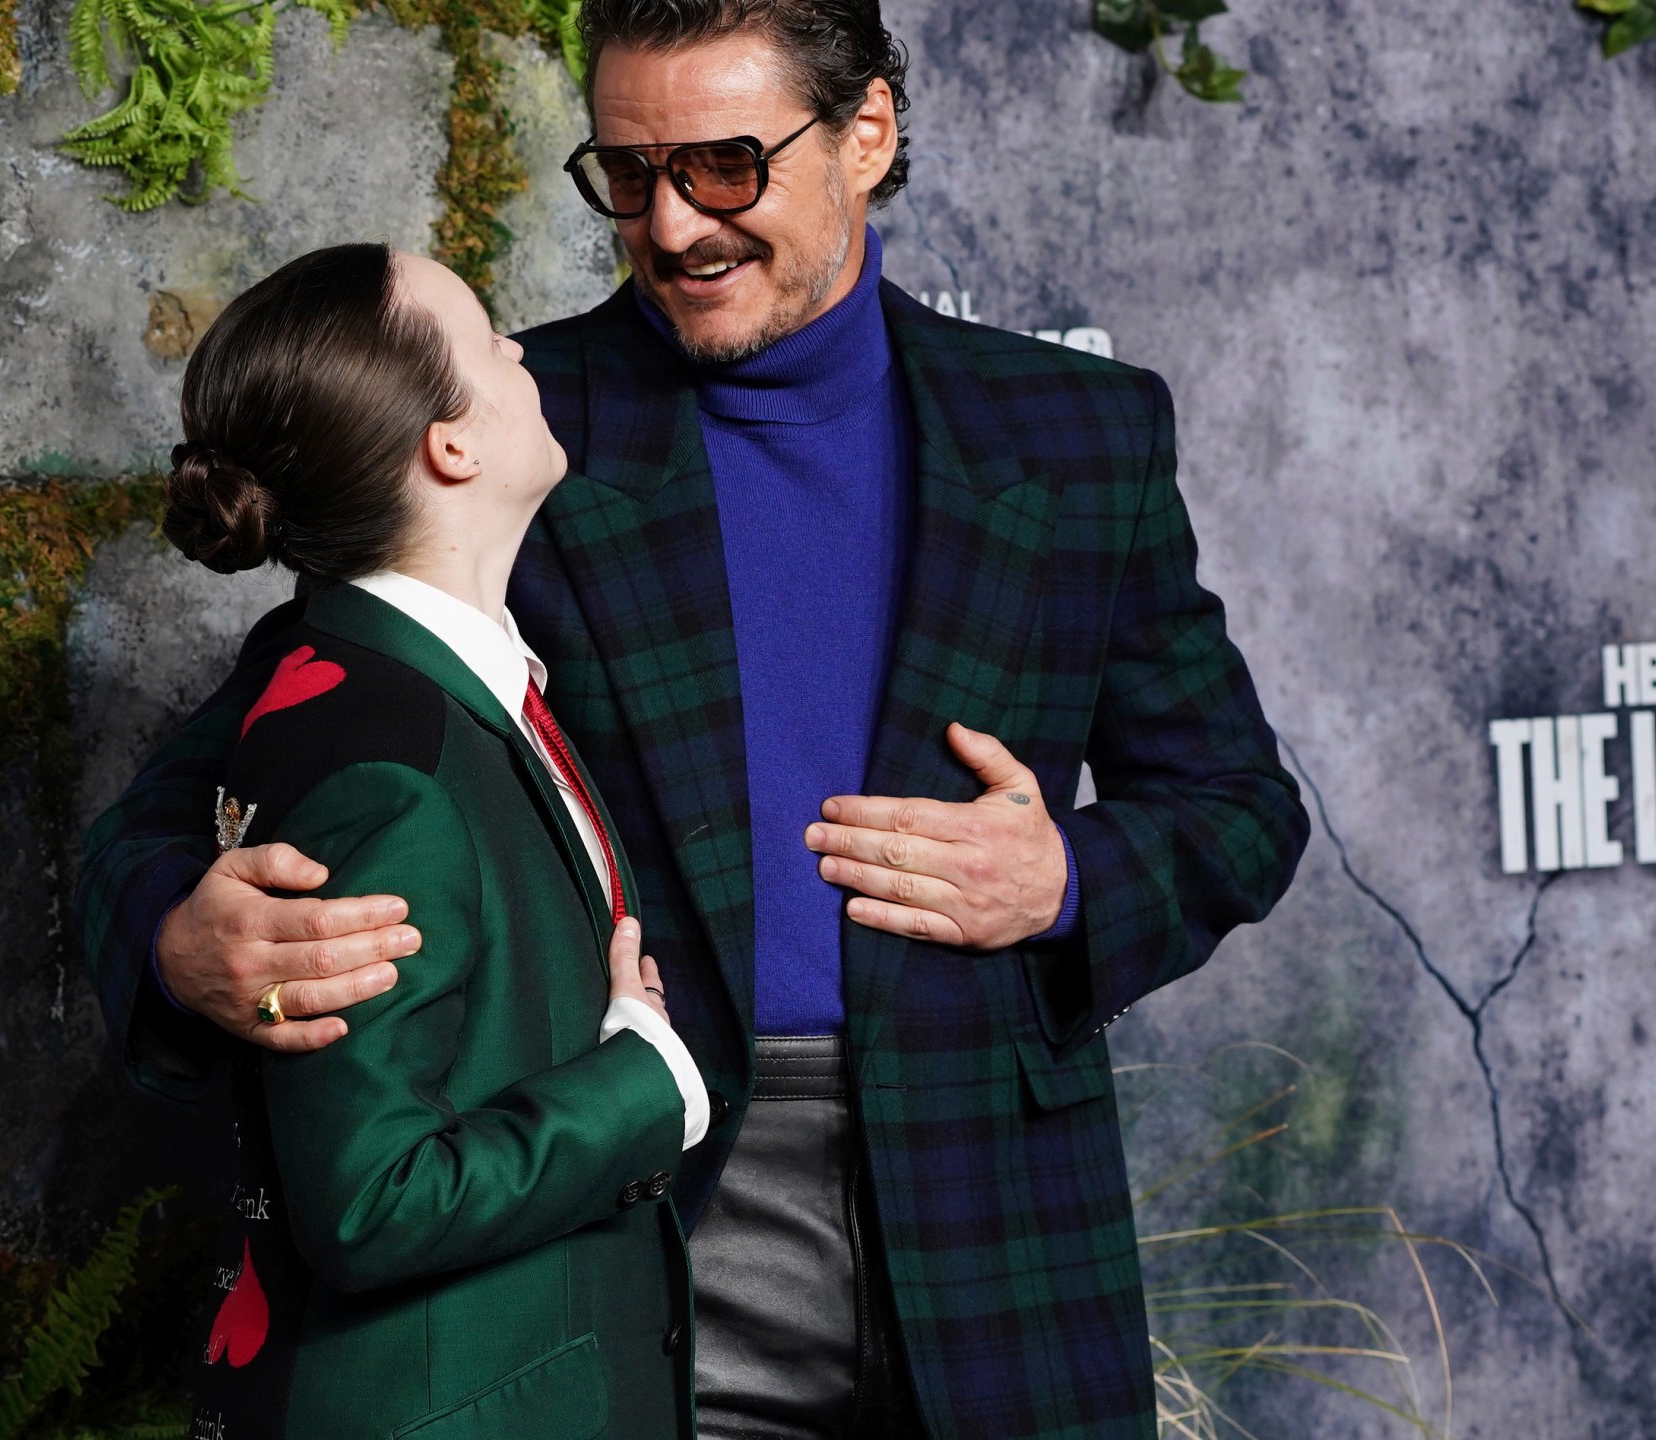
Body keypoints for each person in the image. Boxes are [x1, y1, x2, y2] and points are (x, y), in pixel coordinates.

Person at [77, 0, 1310, 1434]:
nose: (671, 228)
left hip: (998, 1225)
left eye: (725, 166)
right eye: (627, 174)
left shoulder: (1082, 435)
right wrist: (182, 943)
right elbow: (172, 809)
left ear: (866, 136)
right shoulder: (506, 433)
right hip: (635, 1216)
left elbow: (1239, 809)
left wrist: (1065, 880)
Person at [147, 241, 711, 1439]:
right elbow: (372, 1205)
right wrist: (642, 1077)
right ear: (449, 446)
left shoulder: (415, 684)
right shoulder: (388, 769)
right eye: (486, 333)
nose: (520, 350)